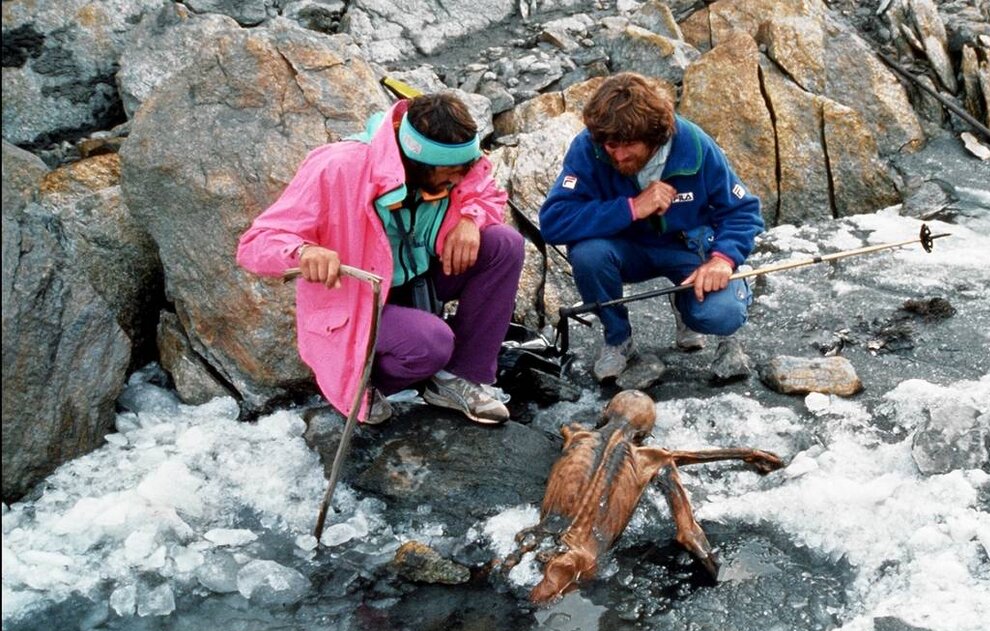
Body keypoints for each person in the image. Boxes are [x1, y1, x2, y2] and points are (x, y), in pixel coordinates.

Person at [238, 93, 523, 425]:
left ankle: (457, 378)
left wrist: (471, 220)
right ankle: (367, 385)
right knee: (432, 342)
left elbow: (482, 189)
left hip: (420, 279)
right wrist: (304, 252)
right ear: (416, 162)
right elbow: (255, 243)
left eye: (464, 170)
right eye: (449, 173)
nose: (459, 181)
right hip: (357, 300)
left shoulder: (460, 167)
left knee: (504, 243)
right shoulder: (338, 167)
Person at [538, 72, 765, 381]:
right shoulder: (589, 148)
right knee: (588, 255)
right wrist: (630, 208)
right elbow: (553, 221)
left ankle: (686, 304)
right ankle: (618, 339)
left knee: (721, 313)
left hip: (687, 247)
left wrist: (723, 260)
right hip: (623, 249)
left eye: (629, 144)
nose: (618, 154)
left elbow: (743, 211)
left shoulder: (694, 144)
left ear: (655, 136)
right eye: (611, 145)